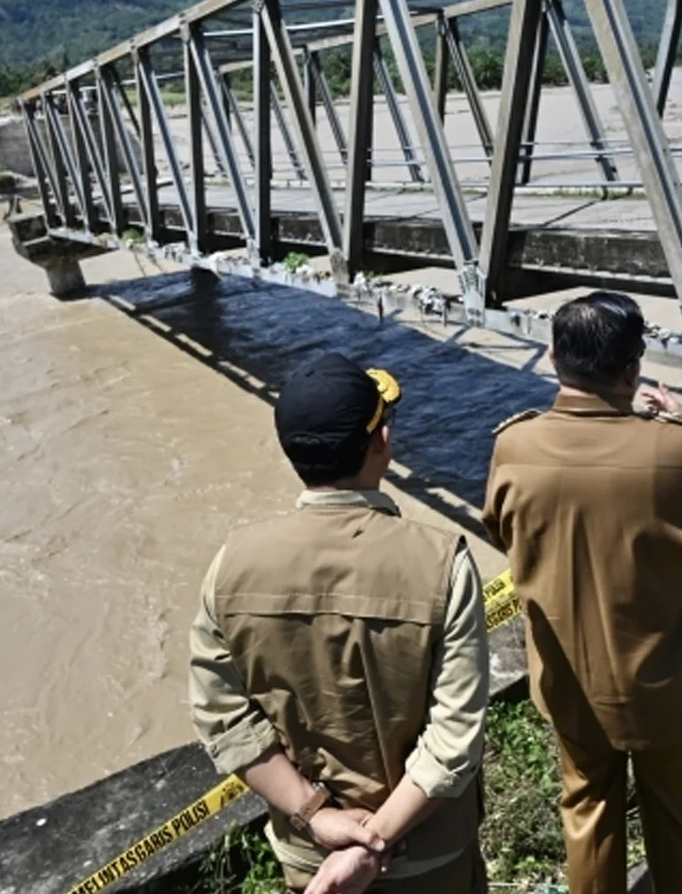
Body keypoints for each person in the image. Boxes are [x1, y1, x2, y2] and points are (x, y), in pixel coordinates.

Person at [481, 291, 682, 894]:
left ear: (552, 358)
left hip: (571, 680)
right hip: (669, 679)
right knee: (679, 816)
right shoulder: (679, 449)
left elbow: (501, 530)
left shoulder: (515, 446)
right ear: (633, 370)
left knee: (588, 814)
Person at [190, 354, 490, 894]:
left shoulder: (231, 566)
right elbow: (453, 737)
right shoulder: (442, 562)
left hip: (315, 859)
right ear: (382, 443)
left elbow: (223, 719)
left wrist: (318, 815)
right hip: (429, 855)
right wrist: (376, 842)